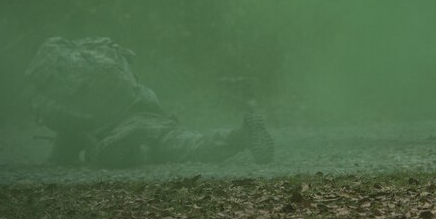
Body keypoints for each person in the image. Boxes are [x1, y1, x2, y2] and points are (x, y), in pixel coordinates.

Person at [26, 37, 274, 168]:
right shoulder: (119, 81)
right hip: (148, 114)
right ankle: (241, 134)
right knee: (192, 145)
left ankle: (121, 148)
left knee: (99, 155)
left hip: (119, 130)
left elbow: (61, 158)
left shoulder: (73, 114)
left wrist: (63, 154)